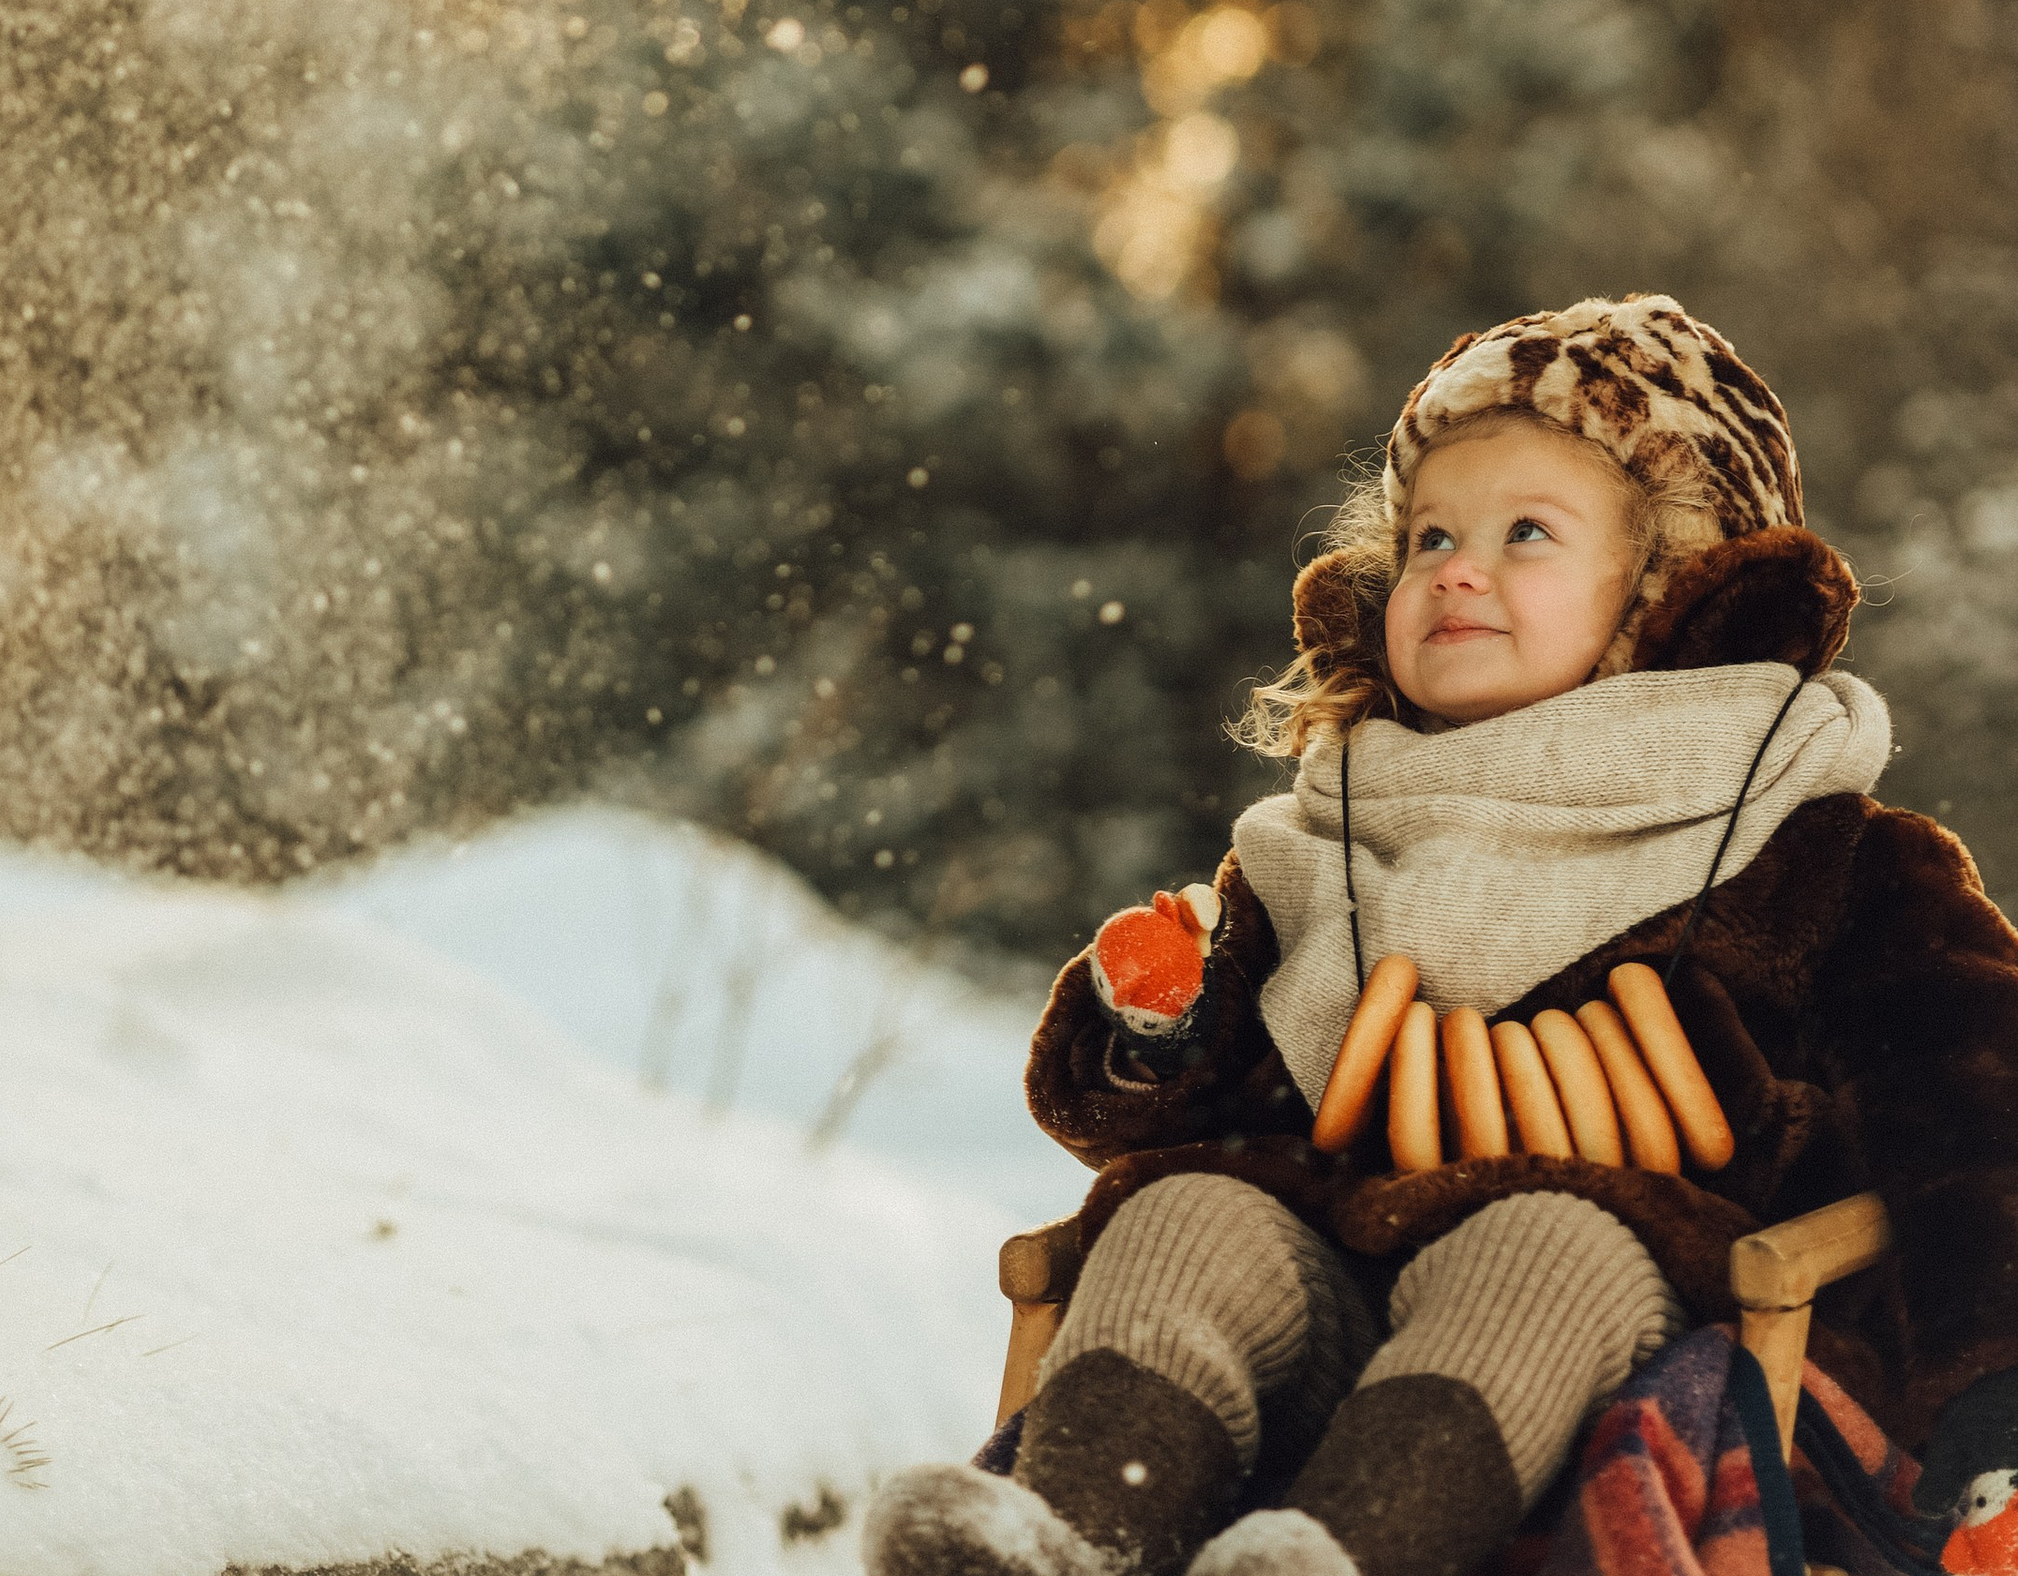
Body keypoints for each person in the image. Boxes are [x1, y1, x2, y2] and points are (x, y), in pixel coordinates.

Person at [865, 296, 2018, 1576]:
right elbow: (1152, 1111)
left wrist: (1989, 1374)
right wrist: (1162, 1023)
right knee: (1184, 1211)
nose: (1455, 568)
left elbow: (1976, 1111)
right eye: (1427, 537)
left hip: (1636, 1333)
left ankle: (1339, 1557)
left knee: (1541, 1240)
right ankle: (1071, 1538)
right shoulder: (1325, 838)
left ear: (1680, 596)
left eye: (1526, 532)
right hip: (1322, 1309)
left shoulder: (1824, 855)